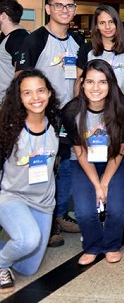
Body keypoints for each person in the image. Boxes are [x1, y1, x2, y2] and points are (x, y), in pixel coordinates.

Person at [17, 0, 83, 246]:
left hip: (70, 115)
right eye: (59, 5)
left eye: (69, 6)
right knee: (41, 167)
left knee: (66, 166)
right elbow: (19, 79)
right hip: (41, 116)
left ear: (74, 10)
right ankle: (39, 219)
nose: (64, 10)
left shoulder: (78, 41)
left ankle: (59, 215)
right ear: (48, 9)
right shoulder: (35, 40)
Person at [62, 60, 124, 265]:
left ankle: (112, 244)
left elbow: (121, 151)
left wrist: (105, 183)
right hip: (84, 163)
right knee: (85, 211)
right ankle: (92, 246)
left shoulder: (123, 109)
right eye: (90, 82)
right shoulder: (71, 112)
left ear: (111, 84)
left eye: (102, 82)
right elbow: (79, 152)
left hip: (116, 161)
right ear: (82, 84)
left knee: (116, 209)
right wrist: (96, 184)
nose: (96, 88)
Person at [0, 70, 60, 293]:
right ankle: (1, 264)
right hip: (11, 196)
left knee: (28, 268)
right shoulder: (9, 128)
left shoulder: (57, 124)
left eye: (40, 91)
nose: (36, 97)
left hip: (43, 202)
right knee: (27, 240)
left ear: (50, 93)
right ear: (19, 97)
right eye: (28, 93)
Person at [76, 5, 124, 105]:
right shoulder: (86, 50)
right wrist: (79, 108)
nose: (107, 27)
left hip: (119, 108)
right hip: (91, 107)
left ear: (117, 23)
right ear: (96, 26)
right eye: (102, 23)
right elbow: (79, 82)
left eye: (111, 22)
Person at [0, 0, 28, 103]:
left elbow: (22, 72)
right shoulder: (7, 37)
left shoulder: (18, 38)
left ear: (3, 16)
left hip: (9, 103)